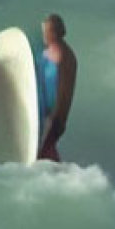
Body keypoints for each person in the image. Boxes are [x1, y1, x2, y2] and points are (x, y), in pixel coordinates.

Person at [37, 13, 77, 162]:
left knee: (44, 152)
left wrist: (57, 116)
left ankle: (60, 176)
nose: (43, 35)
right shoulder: (48, 52)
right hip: (42, 110)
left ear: (53, 33)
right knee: (43, 152)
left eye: (45, 32)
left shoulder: (64, 56)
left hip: (53, 114)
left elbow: (64, 91)